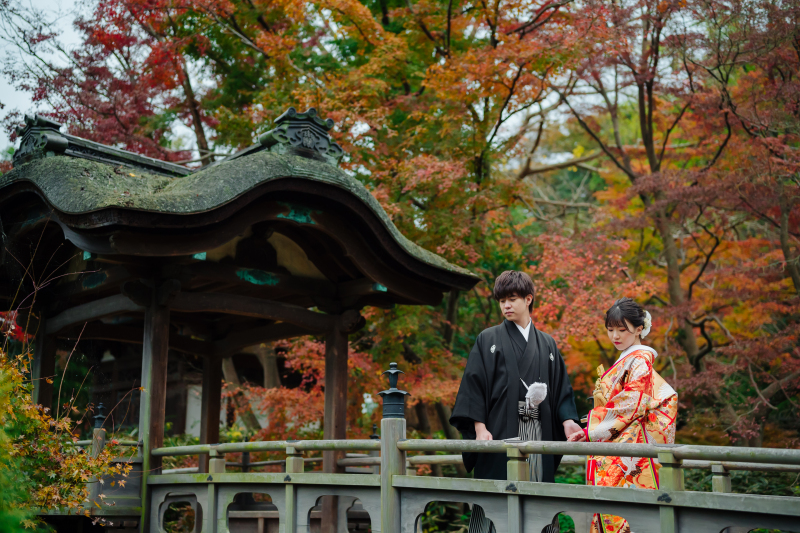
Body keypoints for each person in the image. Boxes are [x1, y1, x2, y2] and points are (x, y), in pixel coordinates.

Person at [450, 271, 583, 531]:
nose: (506, 306)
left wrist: (568, 420)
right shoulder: (487, 339)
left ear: (528, 299)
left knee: (537, 504)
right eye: (501, 301)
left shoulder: (547, 344)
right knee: (494, 503)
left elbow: (561, 389)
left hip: (538, 434)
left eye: (512, 299)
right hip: (499, 433)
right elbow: (473, 386)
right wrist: (479, 428)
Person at [568, 298, 678, 533]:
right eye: (610, 330)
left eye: (622, 330)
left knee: (619, 512)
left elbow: (631, 404)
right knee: (612, 510)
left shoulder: (640, 360)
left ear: (639, 329)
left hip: (627, 449)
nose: (615, 336)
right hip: (618, 442)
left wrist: (591, 430)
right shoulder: (628, 358)